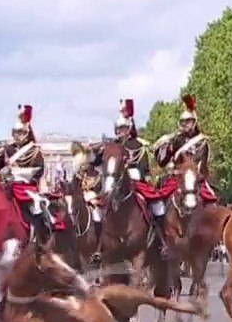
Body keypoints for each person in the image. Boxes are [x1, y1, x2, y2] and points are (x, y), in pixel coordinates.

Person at [88, 99, 168, 260]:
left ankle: (162, 242)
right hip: (112, 182)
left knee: (158, 205)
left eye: (124, 128)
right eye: (119, 128)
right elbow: (95, 163)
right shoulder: (109, 147)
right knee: (97, 211)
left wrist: (138, 175)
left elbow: (144, 167)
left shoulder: (138, 145)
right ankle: (98, 247)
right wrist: (93, 152)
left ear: (130, 128)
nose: (121, 131)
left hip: (135, 182)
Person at [152, 94, 221, 254]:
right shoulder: (175, 140)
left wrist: (198, 175)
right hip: (177, 178)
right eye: (183, 122)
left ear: (194, 122)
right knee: (158, 200)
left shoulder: (202, 142)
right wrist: (166, 149)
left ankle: (213, 238)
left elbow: (204, 164)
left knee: (212, 202)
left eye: (188, 121)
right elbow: (162, 162)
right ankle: (160, 238)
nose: (185, 125)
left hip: (196, 178)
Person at [0, 104, 49, 241]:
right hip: (8, 186)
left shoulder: (34, 151)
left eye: (20, 132)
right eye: (15, 132)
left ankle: (40, 235)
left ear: (26, 134)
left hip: (26, 187)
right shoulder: (7, 149)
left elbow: (39, 170)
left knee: (36, 208)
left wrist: (21, 175)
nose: (17, 135)